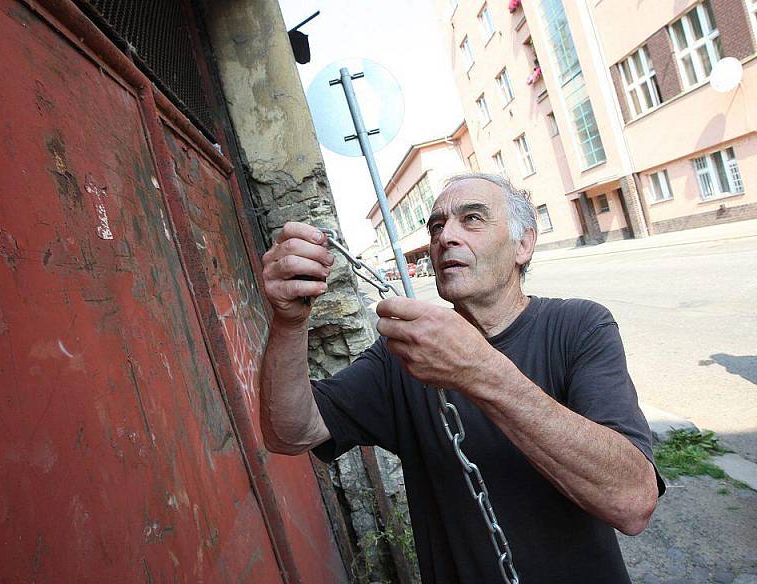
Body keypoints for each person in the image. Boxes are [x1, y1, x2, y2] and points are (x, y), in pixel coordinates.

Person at [259, 173, 663, 583]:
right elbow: (290, 432)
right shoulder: (404, 354)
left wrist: (480, 371)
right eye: (437, 226)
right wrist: (289, 323)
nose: (446, 236)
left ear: (523, 244)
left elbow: (632, 502)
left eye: (472, 218)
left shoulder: (578, 326)